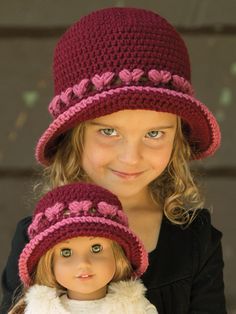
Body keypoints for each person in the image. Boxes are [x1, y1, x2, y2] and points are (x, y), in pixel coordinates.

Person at [1, 7, 226, 314]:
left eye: (155, 133)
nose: (131, 157)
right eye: (108, 131)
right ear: (73, 137)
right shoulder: (35, 239)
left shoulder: (195, 239)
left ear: (178, 139)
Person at [8, 182, 157, 313]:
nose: (83, 263)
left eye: (96, 248)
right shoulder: (38, 310)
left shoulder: (134, 308)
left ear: (118, 255)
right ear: (49, 264)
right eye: (66, 252)